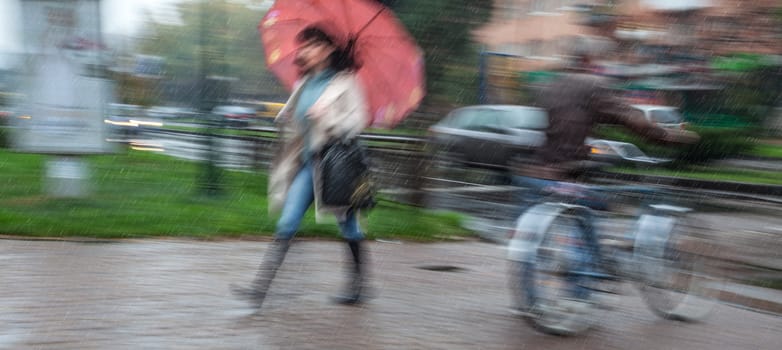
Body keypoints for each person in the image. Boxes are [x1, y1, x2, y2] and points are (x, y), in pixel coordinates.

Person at [512, 35, 699, 276]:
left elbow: (569, 122)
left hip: (539, 170)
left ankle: (538, 296)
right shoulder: (591, 84)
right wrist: (667, 136)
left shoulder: (551, 86)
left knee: (566, 220)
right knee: (598, 204)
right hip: (567, 170)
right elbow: (628, 117)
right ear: (589, 59)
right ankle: (585, 282)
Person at [232, 25, 371, 308]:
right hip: (309, 165)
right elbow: (298, 120)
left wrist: (328, 118)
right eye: (304, 45)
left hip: (335, 168)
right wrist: (287, 117)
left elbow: (358, 121)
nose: (305, 50)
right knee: (287, 222)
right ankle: (259, 291)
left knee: (349, 228)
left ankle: (359, 286)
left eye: (312, 44)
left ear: (329, 49)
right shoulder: (305, 83)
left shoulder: (346, 82)